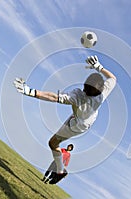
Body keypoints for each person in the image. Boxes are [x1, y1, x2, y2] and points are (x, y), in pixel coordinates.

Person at [14, 55, 116, 184]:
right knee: (57, 140)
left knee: (52, 144)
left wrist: (30, 91)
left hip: (76, 126)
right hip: (86, 119)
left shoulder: (78, 96)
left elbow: (53, 97)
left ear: (85, 86)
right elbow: (112, 78)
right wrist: (99, 67)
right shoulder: (102, 93)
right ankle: (60, 171)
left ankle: (60, 172)